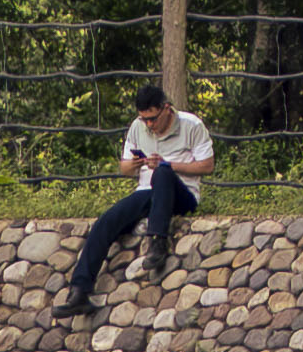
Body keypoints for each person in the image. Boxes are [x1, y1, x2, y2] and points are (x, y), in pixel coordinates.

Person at [60, 82, 214, 315]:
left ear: (166, 109)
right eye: (144, 120)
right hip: (147, 193)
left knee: (163, 172)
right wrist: (132, 165)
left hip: (182, 192)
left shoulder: (192, 125)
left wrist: (168, 164)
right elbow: (124, 168)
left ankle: (158, 243)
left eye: (153, 119)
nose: (149, 125)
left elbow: (207, 165)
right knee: (106, 221)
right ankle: (79, 291)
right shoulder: (137, 127)